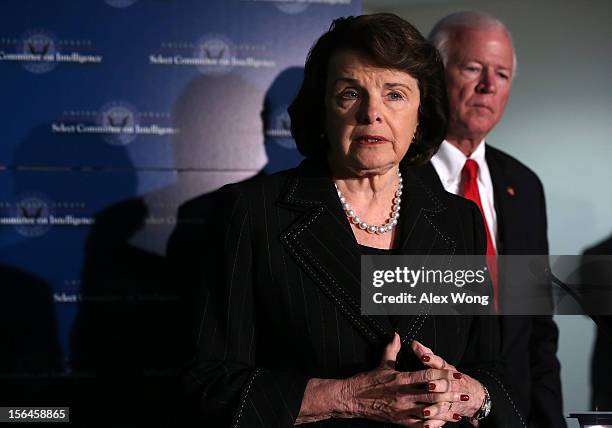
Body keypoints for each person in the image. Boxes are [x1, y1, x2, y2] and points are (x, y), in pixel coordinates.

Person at [170, 14, 523, 427]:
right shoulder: (251, 213)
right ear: (322, 109)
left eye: (395, 94)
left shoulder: (459, 221)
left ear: (420, 113)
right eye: (350, 93)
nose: (372, 113)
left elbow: (494, 370)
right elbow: (209, 384)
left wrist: (469, 395)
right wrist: (347, 397)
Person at [413, 11, 565, 427]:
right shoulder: (395, 176)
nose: (488, 86)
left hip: (513, 413)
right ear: (433, 73)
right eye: (473, 68)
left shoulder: (524, 185)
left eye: (501, 74)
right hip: (427, 412)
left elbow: (538, 328)